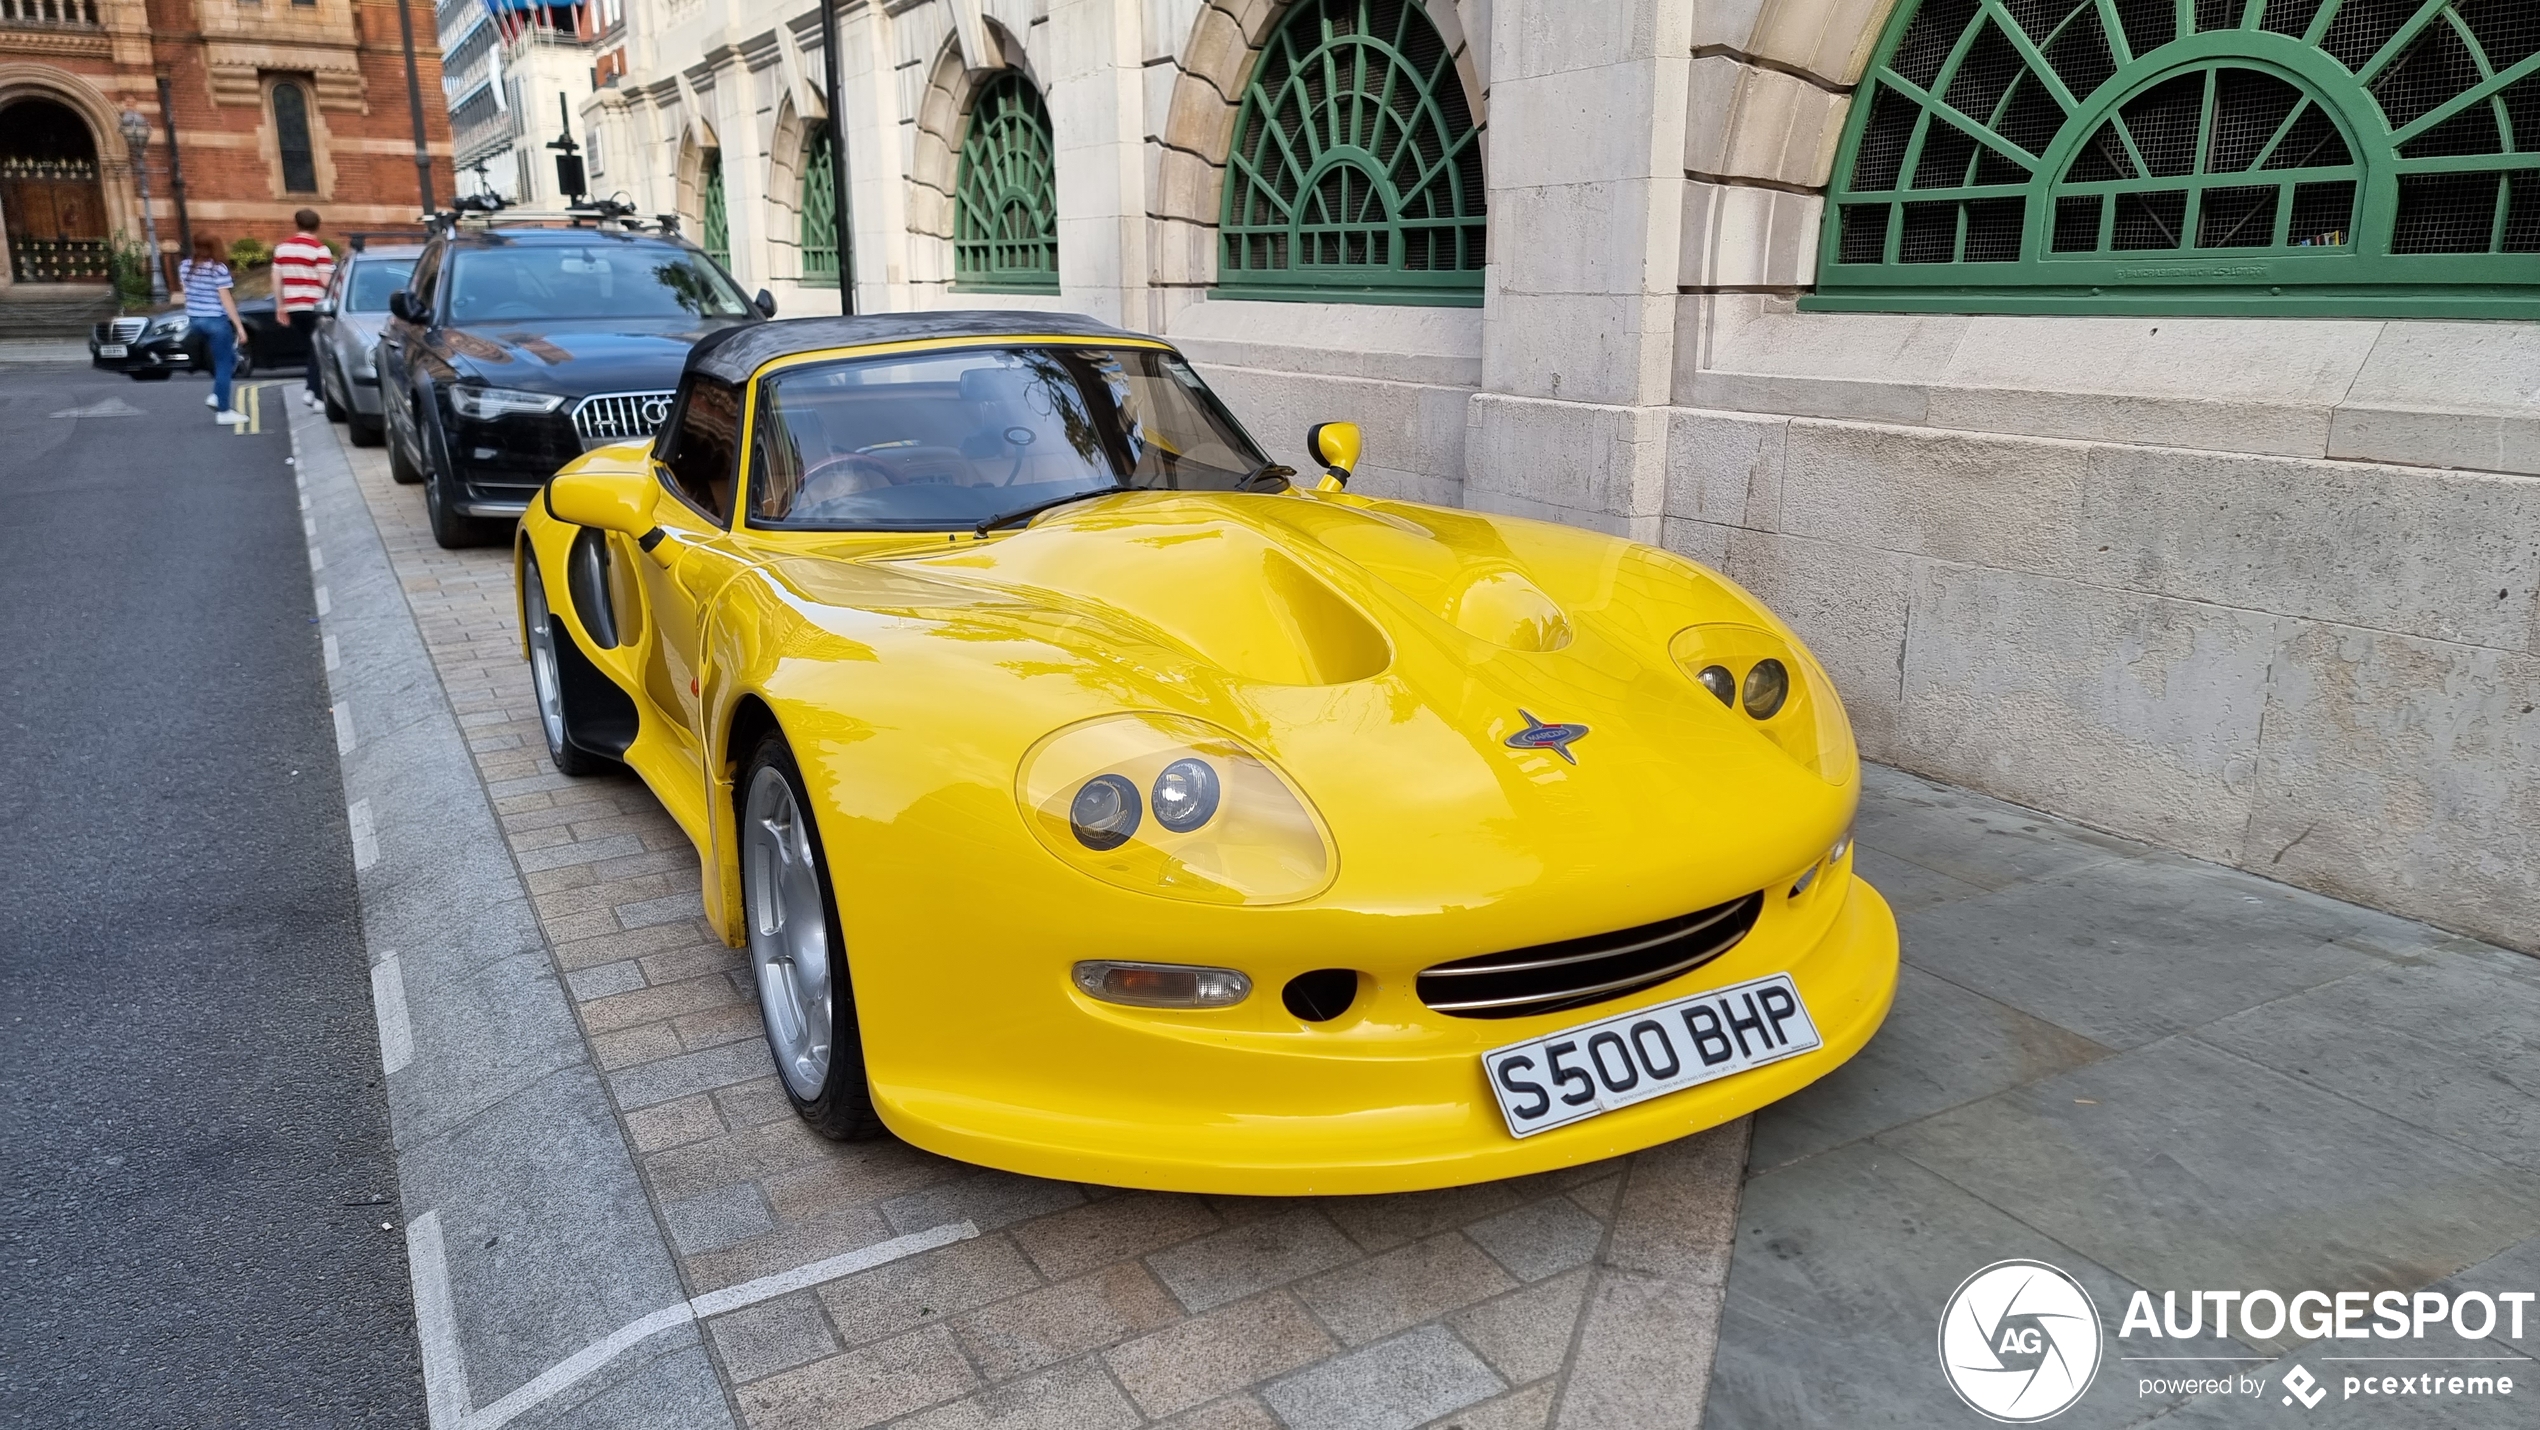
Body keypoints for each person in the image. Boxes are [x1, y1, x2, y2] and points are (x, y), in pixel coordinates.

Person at [179, 234, 250, 426]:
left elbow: (188, 293)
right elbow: (226, 301)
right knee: (224, 365)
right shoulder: (218, 269)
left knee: (230, 357)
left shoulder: (185, 267)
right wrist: (239, 327)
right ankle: (224, 411)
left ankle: (217, 396)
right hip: (216, 321)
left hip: (195, 321)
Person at [272, 210, 335, 409]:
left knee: (311, 347)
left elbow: (276, 279)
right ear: (318, 225)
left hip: (293, 306)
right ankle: (317, 397)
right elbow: (325, 281)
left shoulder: (282, 249)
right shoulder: (320, 250)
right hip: (314, 306)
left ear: (296, 224)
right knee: (318, 350)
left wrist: (280, 306)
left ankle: (310, 389)